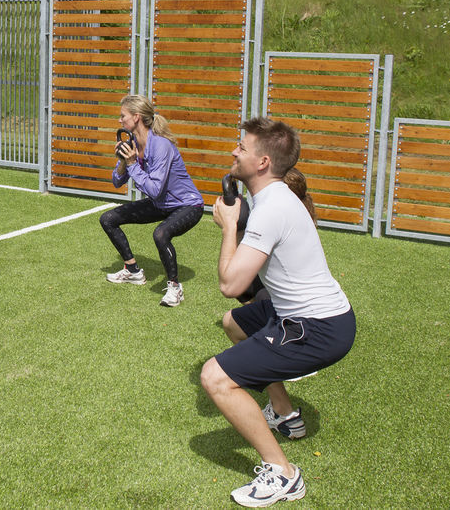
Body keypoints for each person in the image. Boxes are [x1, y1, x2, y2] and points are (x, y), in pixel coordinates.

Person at [201, 117, 355, 507]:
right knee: (234, 322)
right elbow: (236, 303)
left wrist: (229, 228)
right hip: (310, 315)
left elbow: (230, 286)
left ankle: (284, 475)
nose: (234, 151)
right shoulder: (273, 197)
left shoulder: (270, 208)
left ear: (263, 162)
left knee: (215, 378)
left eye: (242, 147)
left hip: (318, 327)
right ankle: (284, 412)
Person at [99, 95, 204, 307]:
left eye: (123, 116)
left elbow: (155, 190)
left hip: (188, 205)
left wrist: (132, 164)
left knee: (161, 233)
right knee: (108, 218)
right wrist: (123, 161)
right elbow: (117, 181)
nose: (120, 120)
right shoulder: (134, 144)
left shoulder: (161, 146)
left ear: (136, 117)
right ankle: (133, 270)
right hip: (161, 204)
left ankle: (175, 288)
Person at [234, 167, 316, 305]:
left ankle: (267, 315)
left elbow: (241, 265)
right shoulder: (301, 215)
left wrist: (235, 228)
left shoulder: (277, 218)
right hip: (302, 292)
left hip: (293, 298)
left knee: (240, 279)